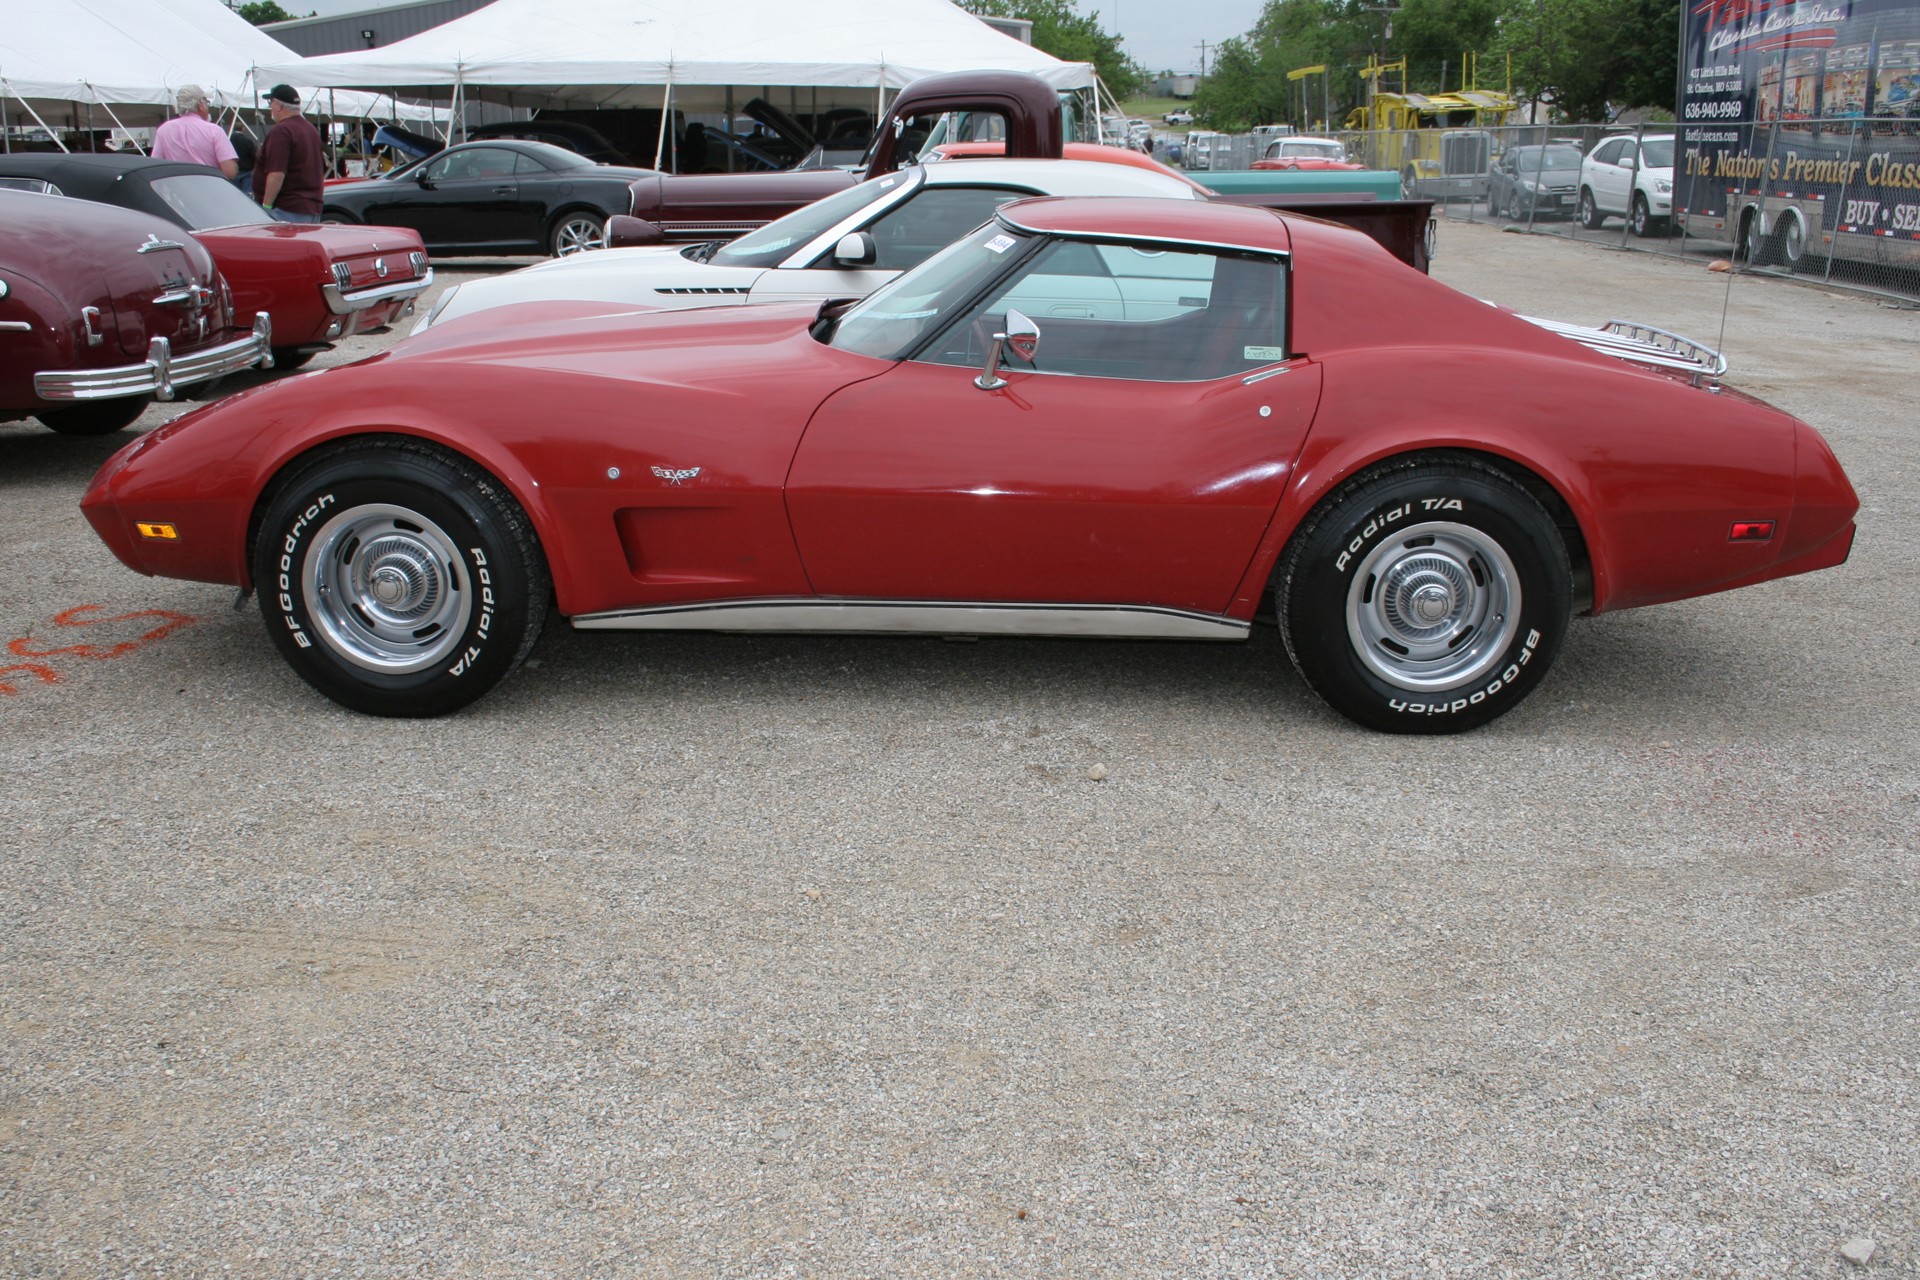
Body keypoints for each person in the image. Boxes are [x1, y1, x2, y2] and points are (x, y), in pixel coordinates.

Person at [253, 83, 325, 223]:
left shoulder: (282, 131)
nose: (270, 108)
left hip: (287, 208)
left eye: (271, 103)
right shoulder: (310, 129)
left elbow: (276, 173)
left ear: (278, 106)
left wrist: (266, 206)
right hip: (311, 206)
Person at [151, 85, 239, 179]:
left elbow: (155, 166)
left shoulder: (164, 130)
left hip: (177, 188)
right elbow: (230, 171)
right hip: (210, 187)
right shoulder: (214, 131)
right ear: (201, 105)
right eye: (207, 102)